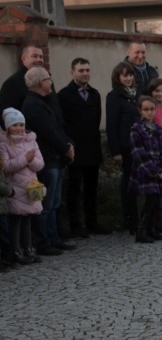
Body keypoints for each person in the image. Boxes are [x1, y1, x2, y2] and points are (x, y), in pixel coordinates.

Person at [22, 66, 76, 256]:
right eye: (48, 78)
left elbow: (58, 127)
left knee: (54, 203)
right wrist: (66, 147)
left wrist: (69, 143)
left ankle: (54, 237)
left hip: (56, 158)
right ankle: (44, 241)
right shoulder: (33, 105)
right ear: (40, 83)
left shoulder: (46, 101)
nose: (51, 81)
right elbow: (48, 132)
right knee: (45, 204)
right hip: (47, 159)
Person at [57, 57, 109, 238]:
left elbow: (96, 120)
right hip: (75, 148)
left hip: (92, 147)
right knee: (74, 188)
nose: (85, 73)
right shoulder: (63, 95)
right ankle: (75, 224)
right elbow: (62, 124)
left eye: (87, 70)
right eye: (81, 70)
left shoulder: (95, 94)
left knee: (91, 188)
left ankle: (92, 222)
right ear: (72, 72)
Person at [0, 108, 44, 264]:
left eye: (21, 124)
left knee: (28, 219)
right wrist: (25, 159)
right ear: (7, 127)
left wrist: (31, 160)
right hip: (15, 188)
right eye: (14, 125)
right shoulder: (4, 143)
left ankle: (28, 249)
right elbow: (6, 166)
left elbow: (40, 164)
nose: (19, 128)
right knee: (16, 221)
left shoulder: (31, 140)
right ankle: (15, 251)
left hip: (30, 187)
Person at [129, 96, 162, 243]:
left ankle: (151, 229)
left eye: (152, 109)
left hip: (158, 171)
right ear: (140, 110)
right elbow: (137, 153)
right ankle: (141, 230)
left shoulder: (158, 130)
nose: (149, 112)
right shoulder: (136, 129)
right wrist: (152, 172)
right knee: (151, 199)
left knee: (156, 201)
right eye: (146, 109)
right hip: (144, 171)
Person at [106, 61, 140, 234]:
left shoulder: (136, 95)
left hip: (139, 144)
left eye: (130, 75)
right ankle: (130, 218)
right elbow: (111, 125)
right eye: (125, 75)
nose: (128, 78)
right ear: (118, 77)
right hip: (125, 145)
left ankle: (141, 217)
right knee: (129, 181)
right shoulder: (114, 96)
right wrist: (116, 151)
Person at [0, 44, 45, 116]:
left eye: (41, 57)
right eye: (34, 56)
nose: (39, 60)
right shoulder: (12, 83)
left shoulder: (46, 79)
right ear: (23, 58)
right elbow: (5, 114)